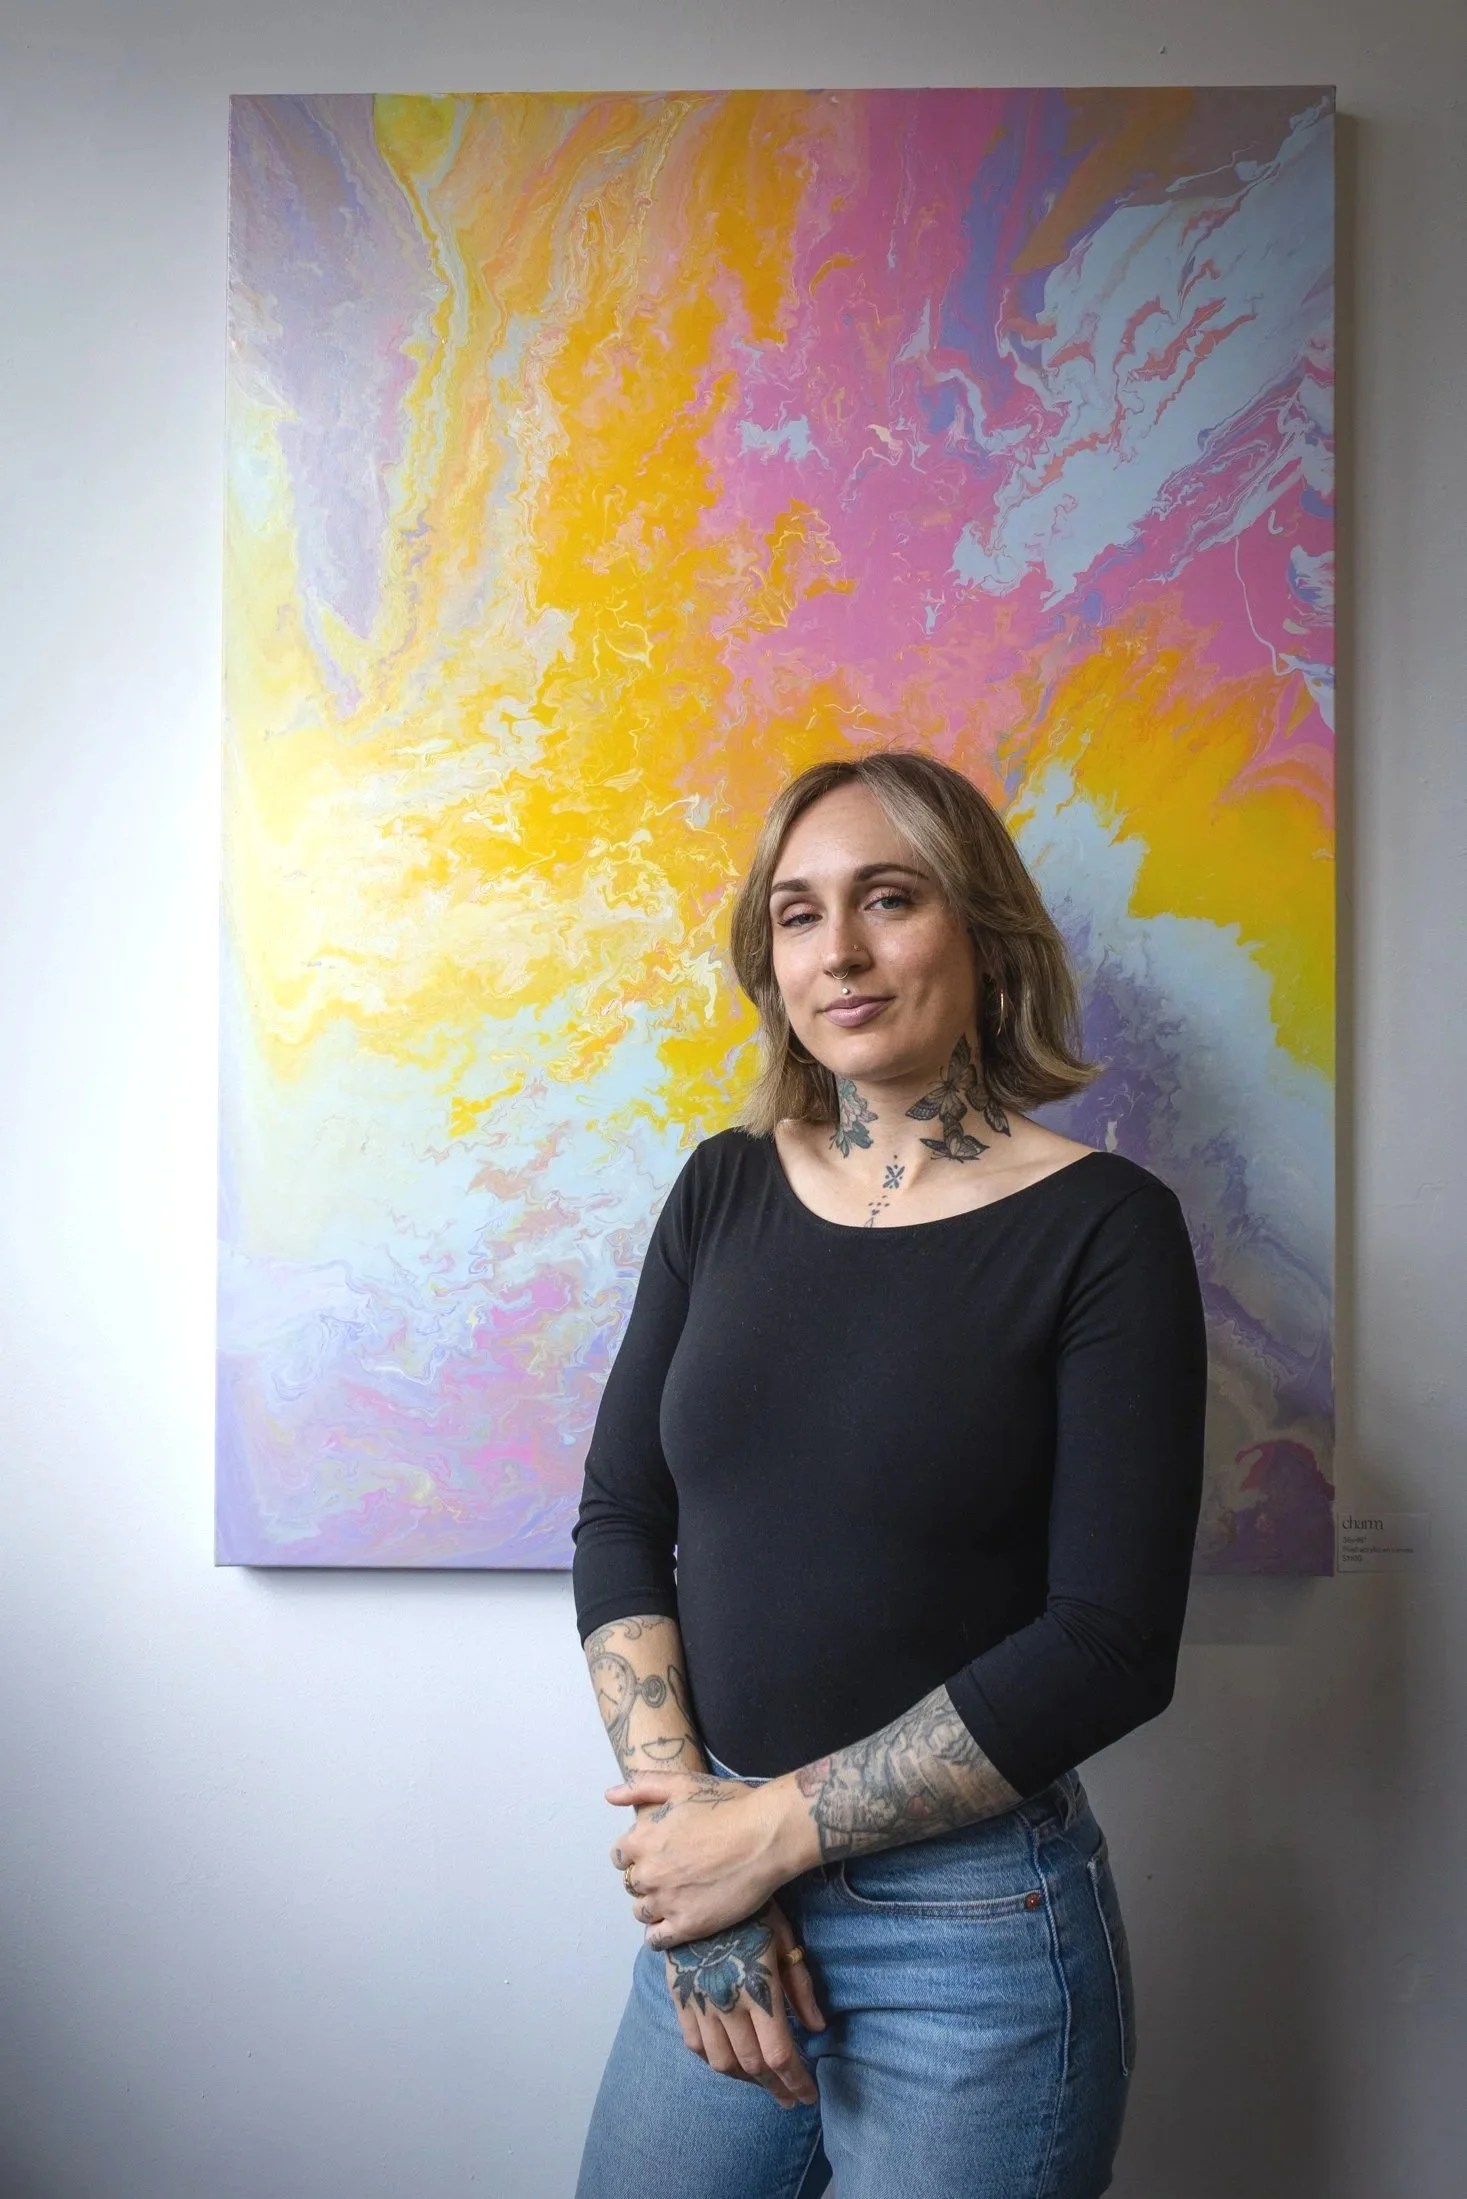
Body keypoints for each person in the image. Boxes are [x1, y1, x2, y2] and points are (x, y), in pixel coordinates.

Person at [569, 749, 1208, 2199]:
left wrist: (763, 1832)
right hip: (714, 1889)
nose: (839, 952)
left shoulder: (1104, 1227)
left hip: (969, 1939)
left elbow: (1110, 1643)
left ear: (983, 930)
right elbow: (621, 1518)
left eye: (890, 898)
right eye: (797, 914)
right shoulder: (721, 1185)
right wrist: (696, 1839)